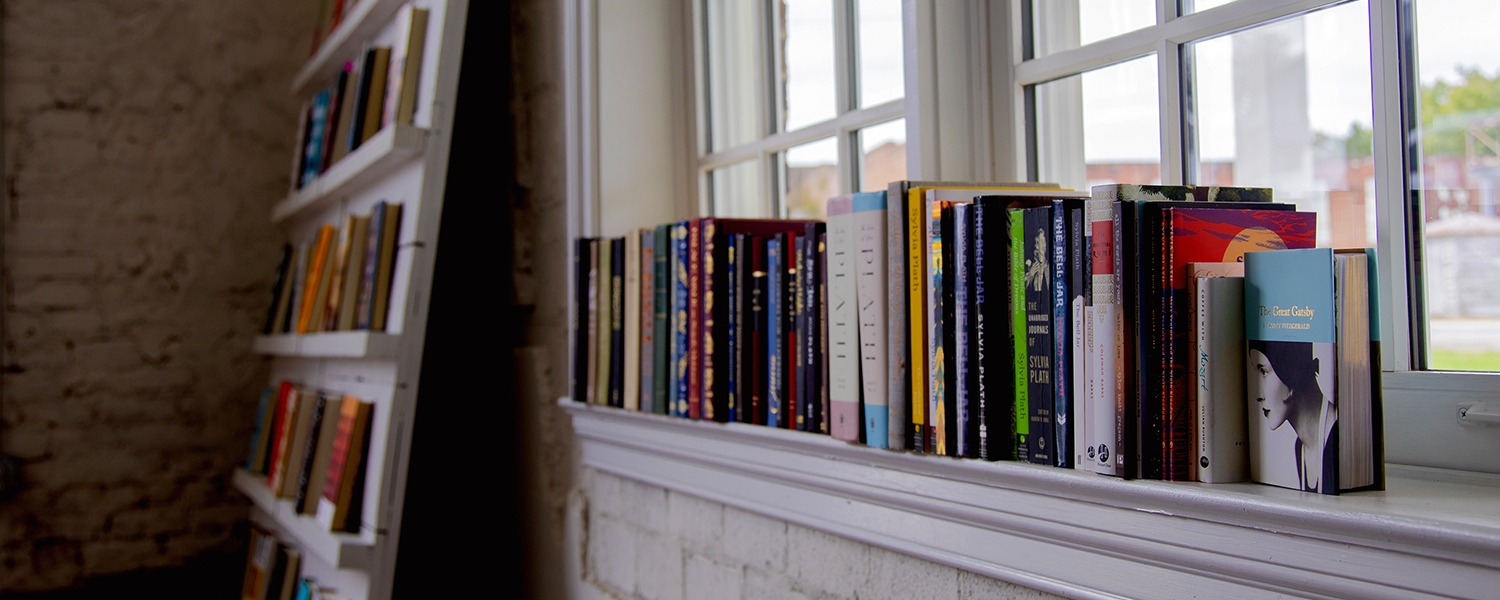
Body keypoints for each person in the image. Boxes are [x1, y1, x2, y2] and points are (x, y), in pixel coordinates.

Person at [1247, 340, 1337, 493]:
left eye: (1263, 372)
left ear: (1290, 369)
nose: (1258, 395)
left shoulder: (1338, 435)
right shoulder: (1300, 448)